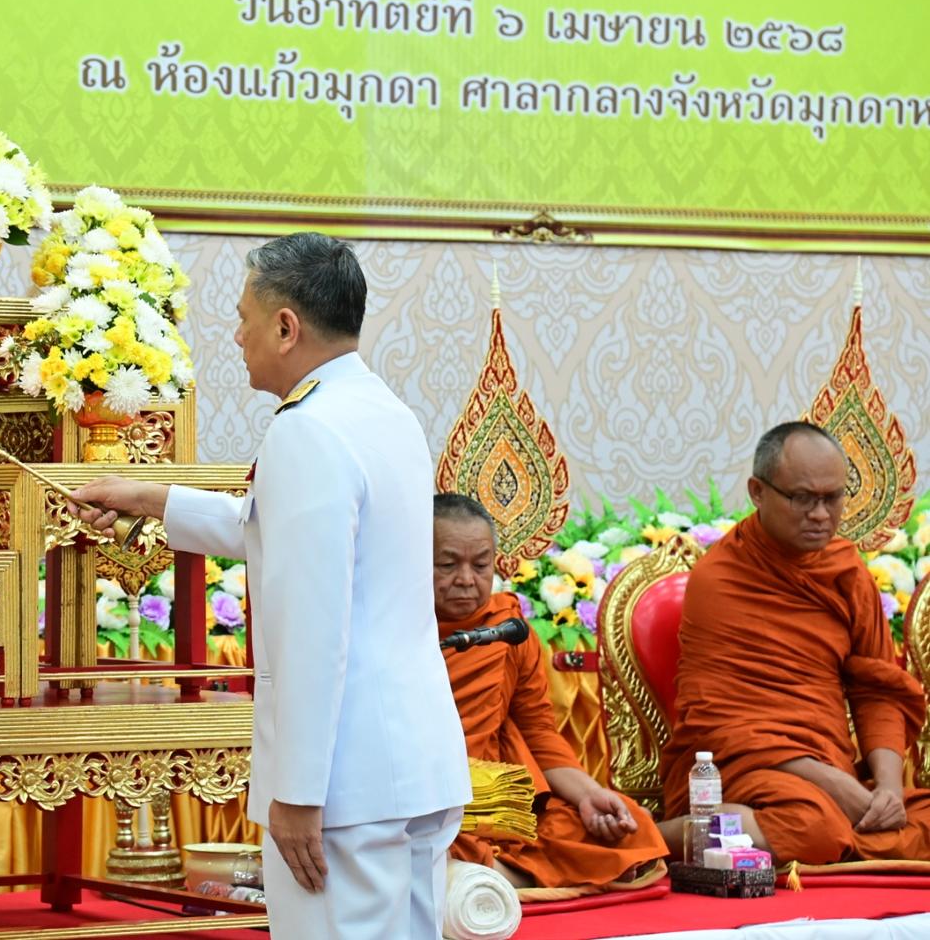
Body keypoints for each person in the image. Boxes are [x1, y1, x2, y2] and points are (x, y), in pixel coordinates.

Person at [72, 233, 470, 938]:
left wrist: (298, 791)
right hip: (409, 762)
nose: (237, 335)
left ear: (286, 327)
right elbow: (282, 534)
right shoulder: (384, 413)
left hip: (345, 783)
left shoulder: (307, 430)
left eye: (244, 317)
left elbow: (314, 629)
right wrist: (151, 498)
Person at [659, 422, 930, 864]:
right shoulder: (720, 579)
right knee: (814, 827)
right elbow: (716, 722)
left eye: (833, 497)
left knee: (889, 820)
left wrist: (887, 791)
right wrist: (832, 784)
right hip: (741, 769)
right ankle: (661, 837)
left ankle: (782, 834)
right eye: (803, 498)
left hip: (826, 770)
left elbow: (878, 689)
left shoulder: (846, 571)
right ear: (758, 492)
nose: (821, 514)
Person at [433, 494, 668, 889]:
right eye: (447, 565)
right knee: (420, 835)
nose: (466, 580)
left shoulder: (506, 629)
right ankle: (498, 872)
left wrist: (588, 794)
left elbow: (539, 732)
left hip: (499, 796)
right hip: (432, 792)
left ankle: (493, 873)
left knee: (628, 827)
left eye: (481, 565)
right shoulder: (395, 630)